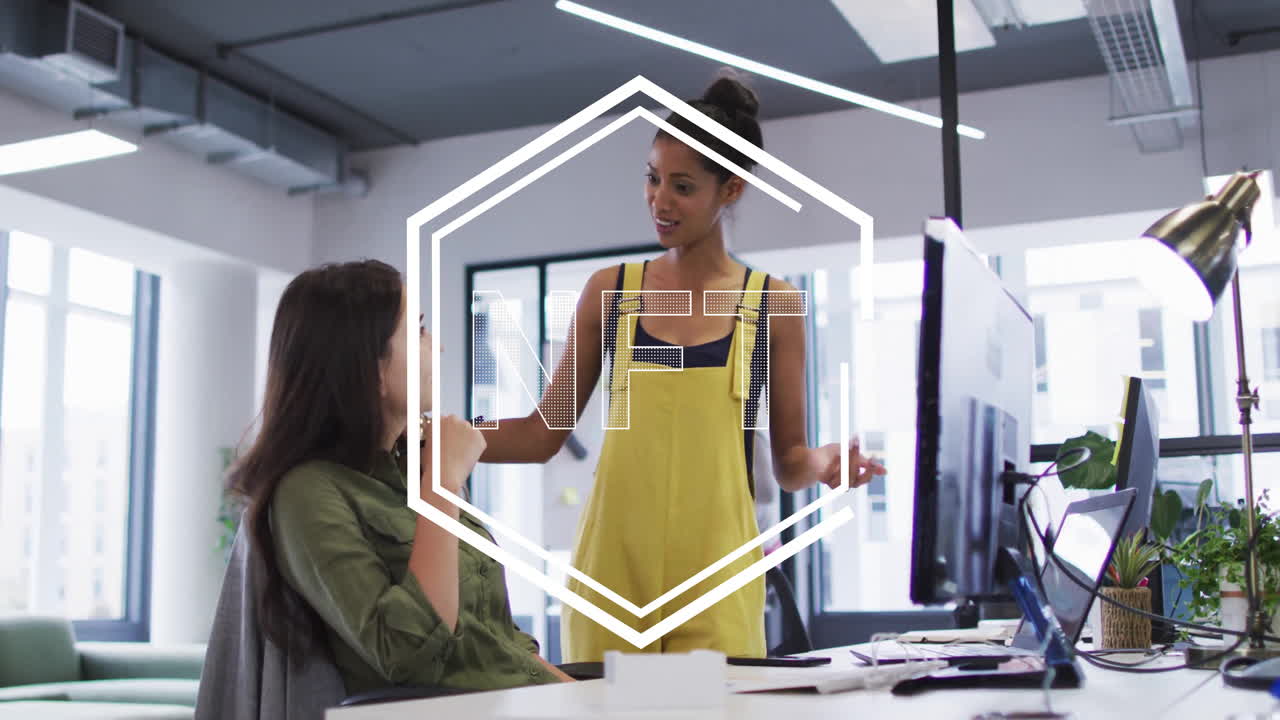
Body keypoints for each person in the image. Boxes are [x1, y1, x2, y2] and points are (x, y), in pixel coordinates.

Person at [476, 72, 886, 662]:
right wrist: (433, 436)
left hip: (719, 580)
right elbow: (543, 432)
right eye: (652, 178)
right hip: (611, 576)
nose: (659, 201)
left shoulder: (774, 304)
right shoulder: (611, 292)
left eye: (683, 186)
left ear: (731, 190)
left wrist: (828, 463)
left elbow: (791, 463)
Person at [225, 259, 572, 695]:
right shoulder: (308, 492)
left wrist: (590, 701)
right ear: (370, 369)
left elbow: (503, 645)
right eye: (419, 331)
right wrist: (443, 484)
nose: (438, 348)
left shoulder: (411, 472)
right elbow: (405, 652)